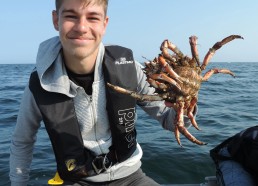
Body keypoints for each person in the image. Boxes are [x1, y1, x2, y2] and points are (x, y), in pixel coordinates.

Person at [9, 0, 195, 185]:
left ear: (104, 24)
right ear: (56, 20)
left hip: (131, 176)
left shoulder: (129, 69)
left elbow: (170, 121)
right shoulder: (40, 83)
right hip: (76, 179)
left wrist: (186, 104)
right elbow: (22, 141)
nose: (82, 27)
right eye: (71, 16)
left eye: (92, 17)